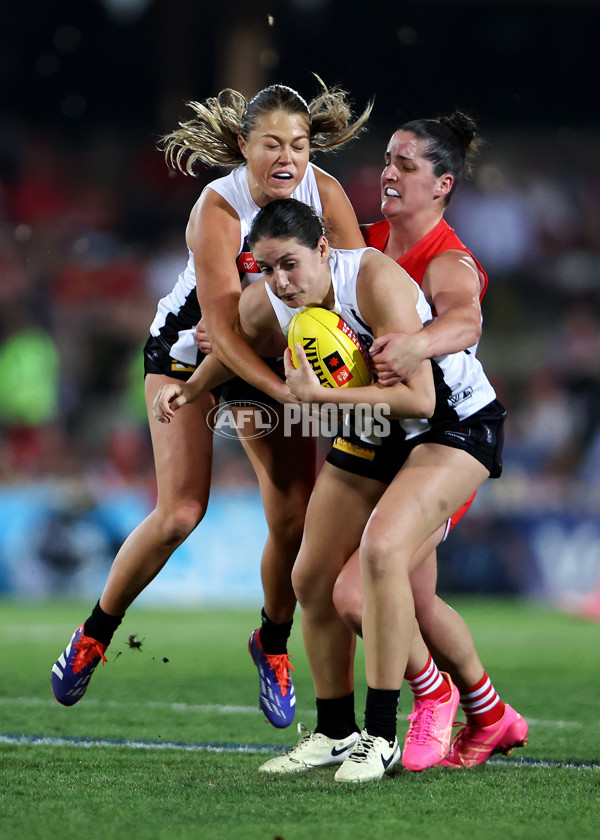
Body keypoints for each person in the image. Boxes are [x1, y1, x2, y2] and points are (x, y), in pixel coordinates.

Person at [50, 80, 371, 728]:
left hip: (271, 352)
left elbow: (354, 291)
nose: (287, 158)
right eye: (272, 144)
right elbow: (220, 332)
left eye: (300, 145)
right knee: (180, 513)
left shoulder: (326, 196)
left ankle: (271, 645)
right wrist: (289, 390)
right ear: (242, 147)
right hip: (190, 353)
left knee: (293, 517)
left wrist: (320, 361)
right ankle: (94, 634)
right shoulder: (218, 209)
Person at [156, 196, 507, 782]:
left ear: (323, 248)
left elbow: (420, 399)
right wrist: (192, 389)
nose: (280, 282)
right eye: (266, 269)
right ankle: (335, 732)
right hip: (375, 429)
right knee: (310, 577)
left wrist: (321, 399)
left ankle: (382, 734)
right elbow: (239, 340)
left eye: (290, 264)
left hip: (452, 425)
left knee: (382, 553)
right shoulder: (275, 294)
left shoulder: (373, 279)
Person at [332, 112, 528, 768]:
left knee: (359, 592)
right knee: (414, 602)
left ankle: (432, 694)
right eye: (388, 159)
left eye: (406, 165)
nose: (388, 172)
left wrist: (418, 340)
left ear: (442, 185)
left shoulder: (448, 258)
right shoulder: (361, 243)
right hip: (398, 434)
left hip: (455, 430)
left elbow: (466, 319)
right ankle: (492, 714)